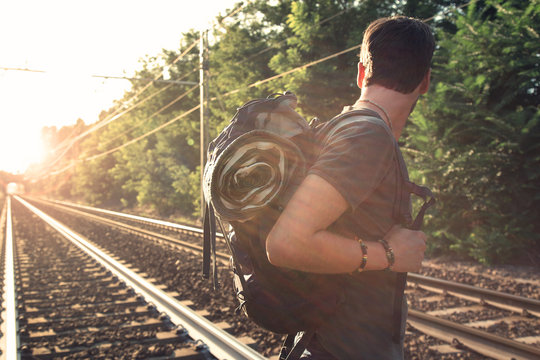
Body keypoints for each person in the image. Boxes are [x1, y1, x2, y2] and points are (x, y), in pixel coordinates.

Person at [266, 16, 435, 359]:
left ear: (361, 73)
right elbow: (285, 243)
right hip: (340, 349)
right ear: (426, 81)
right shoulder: (366, 136)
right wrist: (389, 255)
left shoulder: (341, 128)